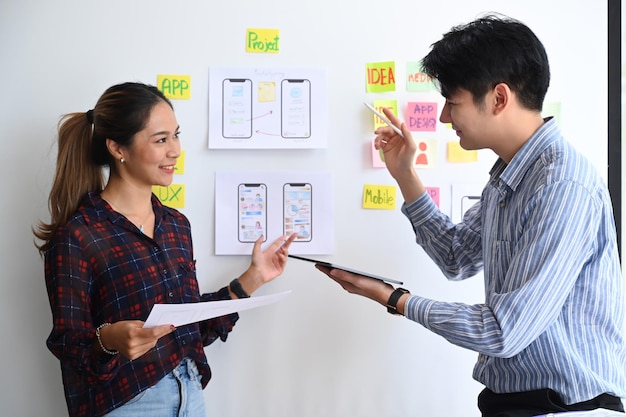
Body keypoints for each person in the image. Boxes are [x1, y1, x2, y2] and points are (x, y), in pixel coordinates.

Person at [316, 14, 626, 417]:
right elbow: (457, 257)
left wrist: (394, 298)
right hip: (516, 403)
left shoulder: (561, 185)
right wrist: (405, 174)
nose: (445, 117)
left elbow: (504, 331)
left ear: (498, 98)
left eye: (453, 101)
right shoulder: (510, 174)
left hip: (565, 407)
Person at [33, 82, 297, 417]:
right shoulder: (79, 235)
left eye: (176, 135)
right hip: (127, 403)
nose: (175, 150)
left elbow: (188, 325)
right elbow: (68, 343)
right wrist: (109, 339)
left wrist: (254, 277)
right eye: (161, 140)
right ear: (118, 148)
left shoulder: (176, 225)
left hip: (190, 392)